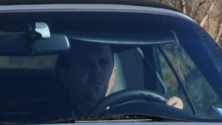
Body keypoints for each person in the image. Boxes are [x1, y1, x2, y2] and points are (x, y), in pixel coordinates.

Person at [54, 40, 183, 117]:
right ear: (65, 76)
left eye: (103, 62)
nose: (96, 69)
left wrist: (177, 112)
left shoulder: (139, 119)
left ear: (113, 74)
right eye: (86, 62)